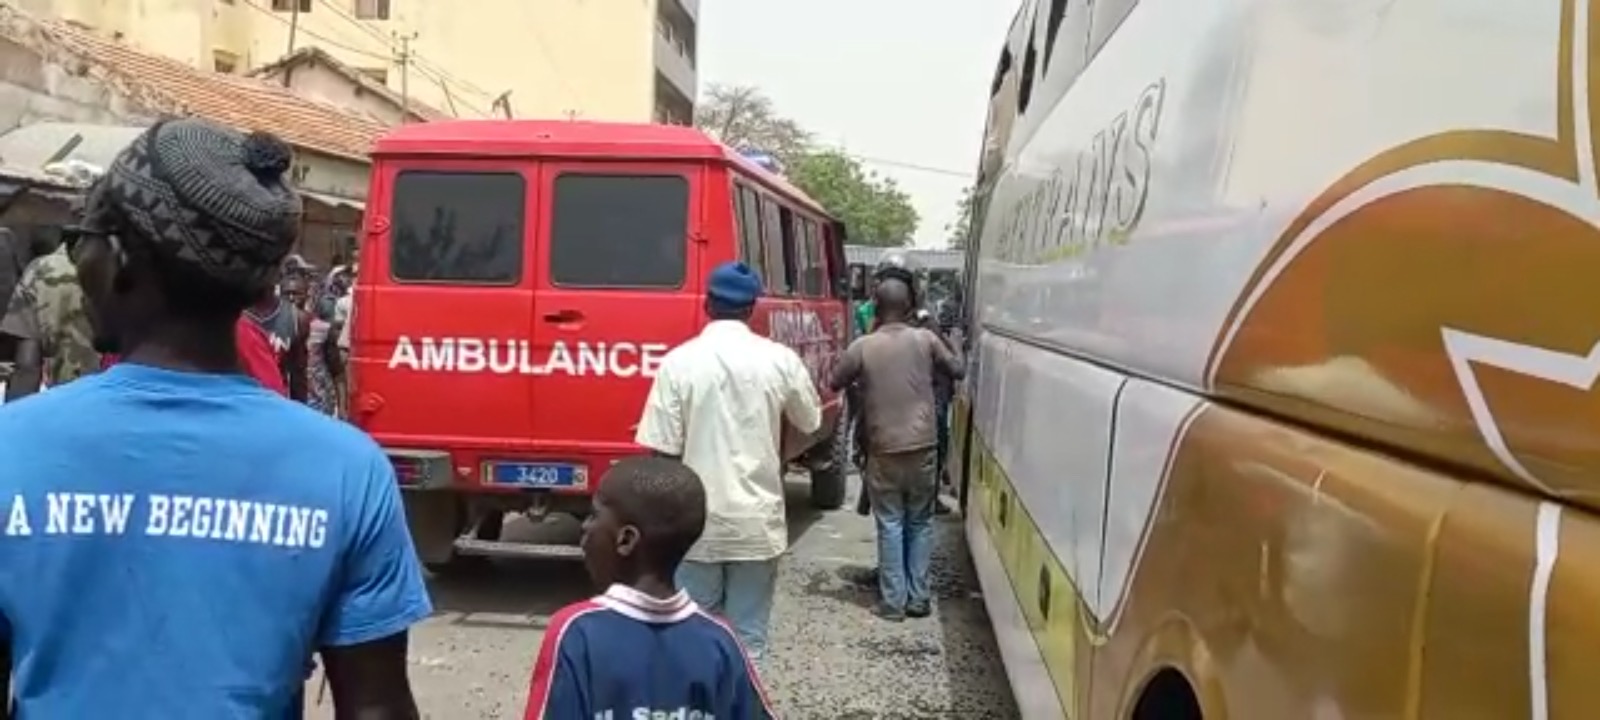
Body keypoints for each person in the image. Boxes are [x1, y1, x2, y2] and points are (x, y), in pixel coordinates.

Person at [0, 118, 431, 717]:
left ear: (119, 257)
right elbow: (377, 709)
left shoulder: (12, 449)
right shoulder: (347, 471)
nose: (79, 262)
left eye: (82, 242)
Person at [634, 261, 822, 662]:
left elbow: (662, 452)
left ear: (707, 304)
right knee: (748, 642)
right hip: (757, 524)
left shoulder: (678, 362)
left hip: (696, 528)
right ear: (752, 308)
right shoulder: (780, 359)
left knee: (692, 640)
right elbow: (811, 421)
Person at [522, 457, 775, 720]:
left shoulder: (576, 633)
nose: (585, 527)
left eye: (594, 515)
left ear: (626, 540)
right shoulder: (721, 641)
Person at [830, 277, 964, 621]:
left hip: (883, 448)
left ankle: (893, 603)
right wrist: (955, 343)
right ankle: (919, 599)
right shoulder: (926, 339)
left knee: (890, 522)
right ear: (909, 307)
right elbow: (957, 370)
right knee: (919, 521)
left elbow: (834, 381)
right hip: (923, 445)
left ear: (876, 307)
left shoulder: (863, 346)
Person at [1, 227, 102, 401]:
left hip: (66, 402)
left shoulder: (41, 271)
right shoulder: (137, 269)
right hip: (132, 403)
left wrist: (13, 414)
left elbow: (27, 367)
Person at [246, 268, 311, 401]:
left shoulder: (297, 319)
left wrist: (299, 409)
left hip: (276, 399)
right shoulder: (235, 315)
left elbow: (298, 375)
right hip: (242, 399)